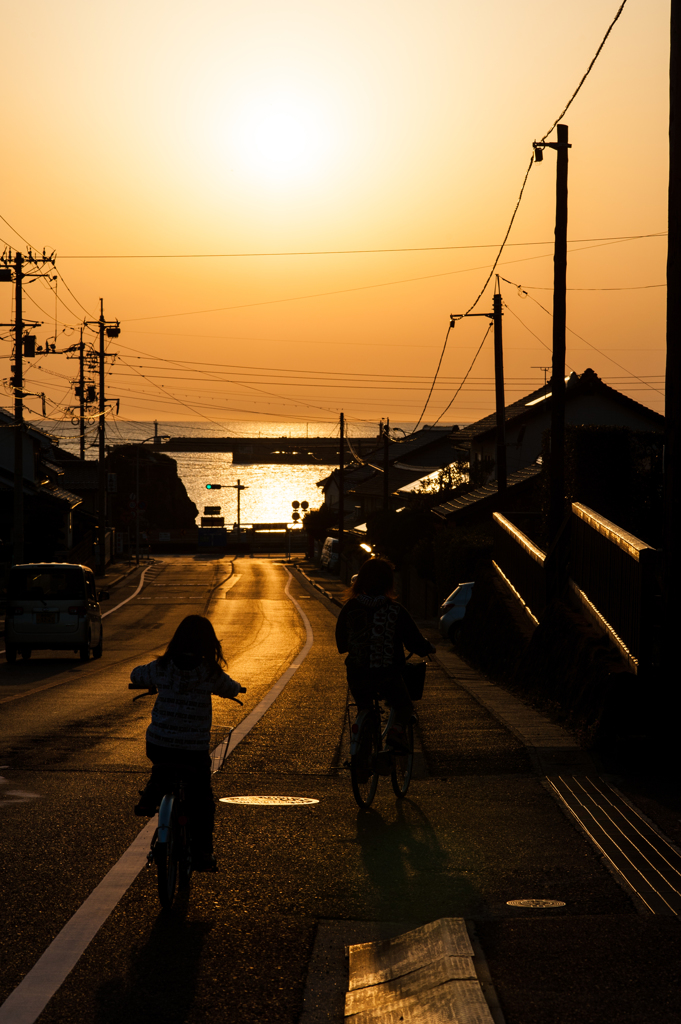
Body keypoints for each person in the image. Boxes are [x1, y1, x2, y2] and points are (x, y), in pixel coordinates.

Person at [130, 614, 246, 872]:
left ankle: (154, 789)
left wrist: (149, 683)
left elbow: (137, 675)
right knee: (202, 798)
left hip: (159, 745)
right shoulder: (209, 671)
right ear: (208, 643)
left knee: (161, 764)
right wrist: (238, 689)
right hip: (194, 749)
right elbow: (230, 687)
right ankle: (203, 853)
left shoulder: (162, 666)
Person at [335, 556, 435, 751]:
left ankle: (362, 753)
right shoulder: (395, 610)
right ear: (389, 582)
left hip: (357, 675)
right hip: (387, 675)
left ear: (361, 580)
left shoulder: (350, 608)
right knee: (404, 706)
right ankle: (396, 733)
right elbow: (414, 641)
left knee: (365, 708)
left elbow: (341, 643)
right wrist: (427, 648)